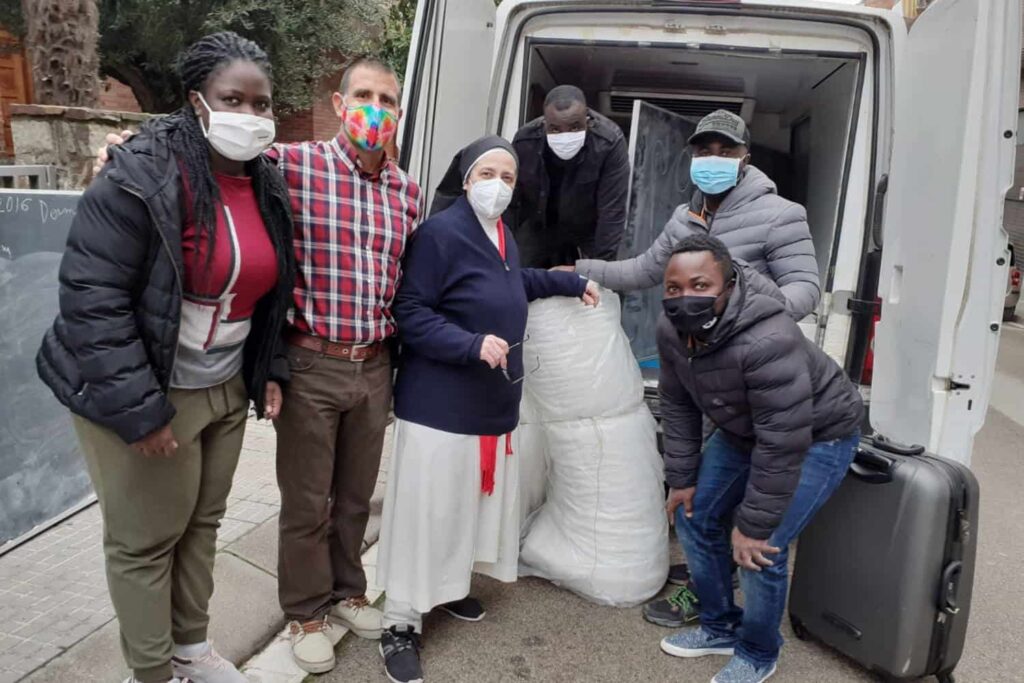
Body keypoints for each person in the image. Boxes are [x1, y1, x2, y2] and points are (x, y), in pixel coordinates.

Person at [95, 56, 421, 675]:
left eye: (387, 99)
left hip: (374, 365)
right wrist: (135, 148)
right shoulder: (291, 166)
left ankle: (348, 590)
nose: (375, 109)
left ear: (399, 112)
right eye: (364, 95)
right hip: (312, 361)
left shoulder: (409, 194)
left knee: (355, 497)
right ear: (341, 100)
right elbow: (208, 151)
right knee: (306, 502)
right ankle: (305, 612)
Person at [36, 32, 296, 683]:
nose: (251, 114)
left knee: (202, 524)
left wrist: (269, 371)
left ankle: (191, 650)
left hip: (224, 388)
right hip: (146, 389)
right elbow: (92, 300)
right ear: (196, 101)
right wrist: (141, 411)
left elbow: (270, 289)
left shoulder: (268, 182)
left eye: (262, 103)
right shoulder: (142, 174)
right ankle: (150, 673)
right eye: (233, 98)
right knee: (145, 541)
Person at [375, 136, 599, 683]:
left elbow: (510, 283)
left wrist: (568, 282)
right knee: (427, 514)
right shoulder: (439, 233)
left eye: (508, 176)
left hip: (490, 404)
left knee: (464, 513)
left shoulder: (500, 234)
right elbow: (408, 308)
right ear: (466, 177)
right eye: (488, 173)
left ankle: (447, 589)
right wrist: (468, 344)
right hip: (439, 406)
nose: (498, 185)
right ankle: (400, 623)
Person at [655, 234, 862, 683]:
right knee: (693, 515)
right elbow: (677, 403)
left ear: (728, 285)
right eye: (673, 289)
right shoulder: (672, 330)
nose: (684, 299)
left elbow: (783, 440)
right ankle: (718, 627)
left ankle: (758, 650)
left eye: (700, 285)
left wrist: (753, 525)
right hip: (745, 430)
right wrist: (682, 476)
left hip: (817, 436)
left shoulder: (767, 337)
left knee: (759, 549)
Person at [571, 109, 821, 321]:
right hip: (691, 350)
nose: (713, 159)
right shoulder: (684, 218)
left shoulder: (781, 215)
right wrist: (578, 269)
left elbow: (805, 288)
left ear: (745, 160)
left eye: (725, 152)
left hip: (748, 354)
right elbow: (643, 270)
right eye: (704, 152)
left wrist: (756, 318)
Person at [504, 85, 630, 268]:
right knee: (512, 272)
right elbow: (512, 201)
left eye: (575, 127)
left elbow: (612, 212)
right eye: (555, 129)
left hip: (591, 228)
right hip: (540, 223)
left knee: (611, 279)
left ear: (587, 118)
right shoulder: (525, 140)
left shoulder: (609, 143)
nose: (565, 135)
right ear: (544, 124)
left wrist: (601, 272)